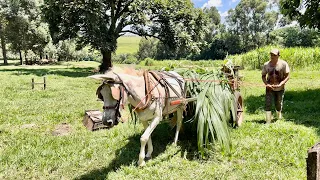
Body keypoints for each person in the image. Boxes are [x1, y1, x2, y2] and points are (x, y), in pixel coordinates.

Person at [262, 48, 290, 123]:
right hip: (269, 88)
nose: (272, 56)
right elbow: (263, 76)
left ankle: (278, 116)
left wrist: (281, 83)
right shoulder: (266, 65)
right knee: (268, 103)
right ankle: (268, 121)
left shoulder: (283, 64)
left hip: (280, 88)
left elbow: (287, 76)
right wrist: (267, 84)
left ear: (278, 55)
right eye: (271, 55)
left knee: (278, 103)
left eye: (274, 55)